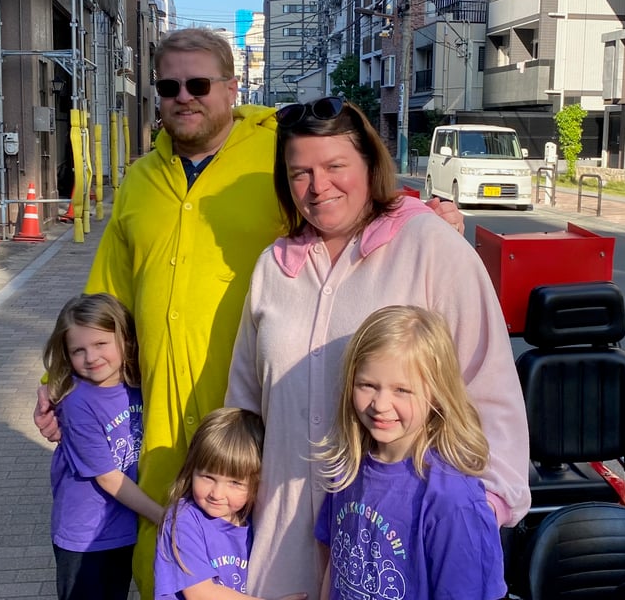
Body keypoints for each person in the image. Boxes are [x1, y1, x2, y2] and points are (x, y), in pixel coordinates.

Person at [33, 27, 464, 596]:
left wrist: (422, 214)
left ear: (232, 88)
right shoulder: (139, 180)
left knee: (239, 570)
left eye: (199, 83)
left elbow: (340, 191)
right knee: (164, 563)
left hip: (256, 430)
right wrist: (55, 379)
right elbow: (105, 298)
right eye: (169, 85)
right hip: (155, 420)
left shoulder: (275, 153)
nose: (184, 95)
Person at [225, 96, 530, 599]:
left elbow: (490, 387)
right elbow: (245, 403)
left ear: (370, 164)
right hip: (284, 541)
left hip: (395, 546)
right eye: (299, 172)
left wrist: (482, 506)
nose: (318, 186)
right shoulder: (273, 267)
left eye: (335, 166)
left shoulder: (432, 249)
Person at [313, 305, 506, 600]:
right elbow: (334, 567)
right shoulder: (347, 470)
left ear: (437, 394)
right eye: (367, 385)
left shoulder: (453, 500)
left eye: (402, 390)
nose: (380, 403)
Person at [43, 294, 165, 600]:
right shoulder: (78, 403)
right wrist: (164, 517)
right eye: (78, 350)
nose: (91, 357)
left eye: (101, 344)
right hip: (85, 538)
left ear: (125, 340)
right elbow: (108, 478)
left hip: (123, 528)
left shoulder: (139, 387)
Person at [154, 407, 307, 600]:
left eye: (235, 483)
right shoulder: (183, 520)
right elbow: (200, 594)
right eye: (208, 477)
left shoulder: (255, 517)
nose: (217, 494)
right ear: (191, 469)